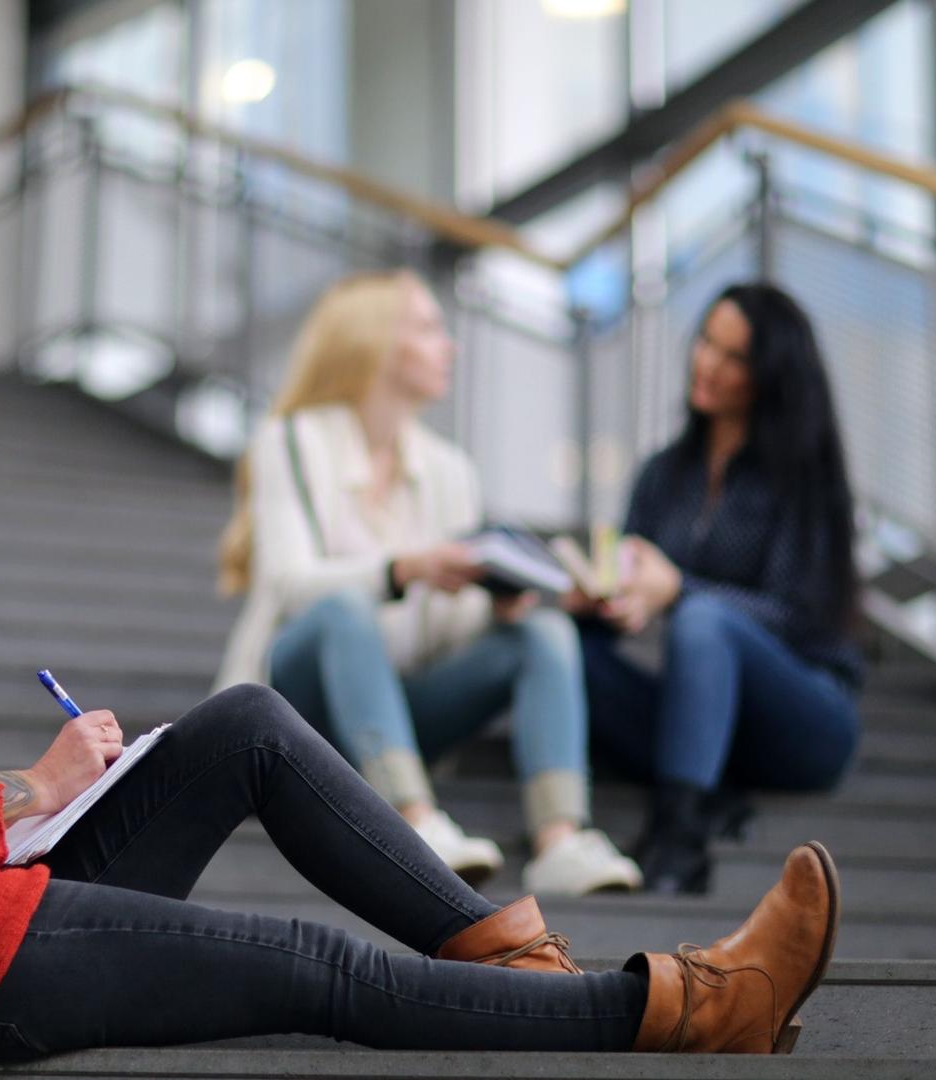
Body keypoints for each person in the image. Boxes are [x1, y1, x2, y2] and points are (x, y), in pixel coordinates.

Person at [0, 299, 841, 1065]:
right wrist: (24, 790)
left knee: (244, 728)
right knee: (318, 968)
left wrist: (35, 805)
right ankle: (681, 1005)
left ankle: (508, 955)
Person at [214, 270, 638, 896]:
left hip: (397, 709)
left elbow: (446, 633)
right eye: (429, 328)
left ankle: (560, 840)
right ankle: (411, 819)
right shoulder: (292, 442)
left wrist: (501, 602)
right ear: (375, 342)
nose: (451, 346)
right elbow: (286, 584)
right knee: (344, 610)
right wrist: (402, 568)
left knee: (544, 630)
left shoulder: (449, 469)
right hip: (294, 706)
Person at [567, 283, 864, 894]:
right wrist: (605, 602)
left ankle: (679, 838)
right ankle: (704, 783)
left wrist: (677, 590)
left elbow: (800, 619)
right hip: (696, 709)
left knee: (704, 620)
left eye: (733, 357)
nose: (707, 364)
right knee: (561, 643)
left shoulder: (802, 479)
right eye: (705, 342)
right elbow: (639, 597)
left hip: (803, 715)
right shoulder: (663, 474)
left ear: (770, 376)